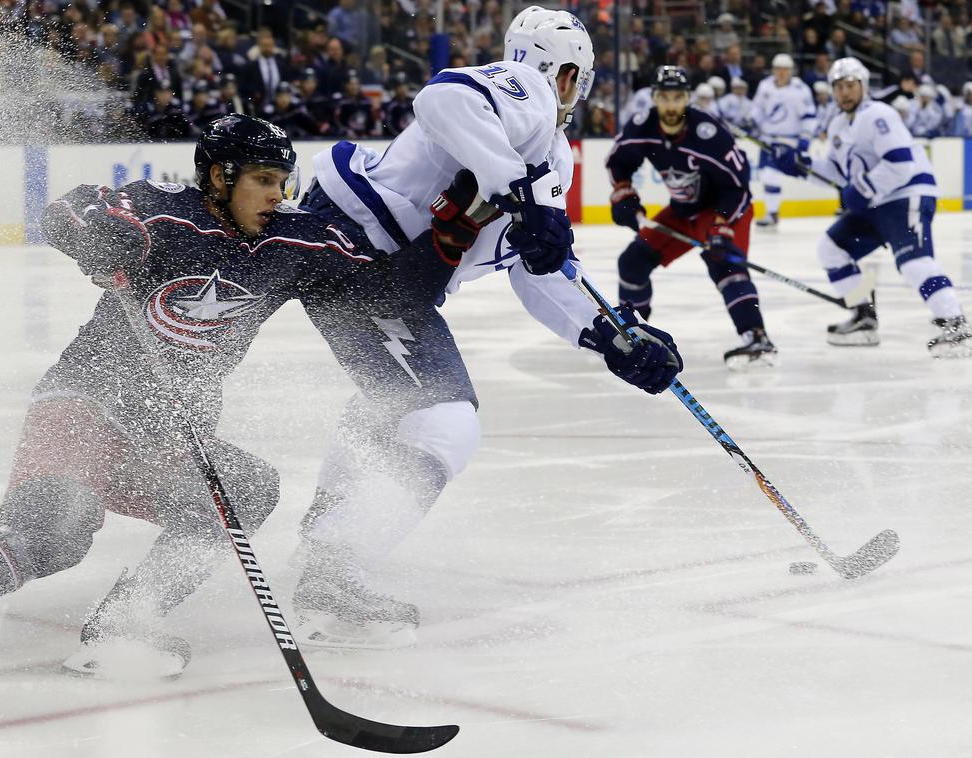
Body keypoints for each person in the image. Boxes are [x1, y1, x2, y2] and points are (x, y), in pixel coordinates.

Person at [0, 115, 492, 687]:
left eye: (282, 181)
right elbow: (69, 210)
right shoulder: (164, 212)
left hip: (162, 434)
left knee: (246, 488)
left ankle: (127, 621)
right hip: (83, 405)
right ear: (219, 177)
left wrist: (448, 239)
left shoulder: (294, 243)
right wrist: (99, 236)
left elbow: (384, 290)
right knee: (54, 531)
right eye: (261, 180)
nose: (277, 194)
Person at [288, 6, 684, 650]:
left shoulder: (549, 152)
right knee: (444, 422)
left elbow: (540, 270)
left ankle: (328, 532)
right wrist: (516, 187)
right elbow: (441, 97)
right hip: (367, 257)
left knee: (390, 399)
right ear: (563, 73)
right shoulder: (524, 95)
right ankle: (331, 566)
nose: (576, 96)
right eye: (577, 80)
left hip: (379, 269)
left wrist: (610, 333)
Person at [775, 58, 972, 357]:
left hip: (905, 195)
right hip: (875, 201)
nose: (844, 92)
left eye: (850, 86)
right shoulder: (838, 125)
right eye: (838, 87)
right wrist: (802, 166)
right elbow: (837, 172)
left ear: (863, 86)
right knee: (832, 249)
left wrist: (863, 189)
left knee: (913, 262)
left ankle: (954, 325)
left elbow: (900, 164)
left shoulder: (879, 115)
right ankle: (864, 317)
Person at [607, 65, 775, 371]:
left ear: (688, 99)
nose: (671, 105)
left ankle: (756, 336)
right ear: (654, 98)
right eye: (664, 97)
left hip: (722, 208)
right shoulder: (643, 126)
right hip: (683, 210)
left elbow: (737, 186)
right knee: (632, 263)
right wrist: (623, 194)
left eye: (677, 97)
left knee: (725, 263)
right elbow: (618, 161)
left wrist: (723, 226)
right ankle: (633, 334)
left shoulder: (709, 134)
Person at [749, 53, 816, 229]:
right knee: (765, 174)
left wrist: (805, 139)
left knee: (773, 174)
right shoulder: (765, 86)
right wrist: (752, 122)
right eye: (778, 69)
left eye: (785, 69)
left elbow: (809, 116)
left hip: (788, 141)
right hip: (767, 139)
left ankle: (772, 213)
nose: (781, 73)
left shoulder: (800, 90)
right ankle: (772, 213)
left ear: (791, 70)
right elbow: (757, 109)